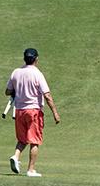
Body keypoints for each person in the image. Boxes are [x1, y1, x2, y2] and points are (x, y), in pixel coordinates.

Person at [4, 47, 61, 177]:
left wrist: (17, 90)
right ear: (36, 59)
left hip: (19, 111)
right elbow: (47, 95)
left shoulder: (16, 72)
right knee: (35, 140)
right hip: (34, 110)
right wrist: (55, 113)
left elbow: (7, 91)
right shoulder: (37, 73)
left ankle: (16, 156)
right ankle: (31, 170)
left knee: (22, 139)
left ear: (24, 58)